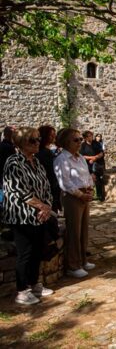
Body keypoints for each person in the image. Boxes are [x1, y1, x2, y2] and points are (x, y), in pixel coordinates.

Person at [2, 127, 54, 304]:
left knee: (38, 250)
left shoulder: (36, 162)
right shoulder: (13, 162)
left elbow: (46, 186)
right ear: (21, 143)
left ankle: (34, 284)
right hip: (22, 215)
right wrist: (41, 206)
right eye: (33, 140)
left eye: (38, 139)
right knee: (25, 252)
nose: (38, 142)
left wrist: (46, 207)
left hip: (40, 214)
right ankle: (22, 290)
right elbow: (19, 191)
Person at [54, 128, 95, 278]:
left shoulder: (80, 158)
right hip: (73, 197)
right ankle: (73, 265)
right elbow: (64, 182)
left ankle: (83, 260)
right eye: (76, 140)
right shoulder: (62, 159)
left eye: (80, 140)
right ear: (66, 142)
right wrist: (80, 195)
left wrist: (90, 189)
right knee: (74, 231)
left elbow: (87, 175)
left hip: (84, 195)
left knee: (83, 229)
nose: (79, 142)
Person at [36, 125, 62, 213]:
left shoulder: (47, 151)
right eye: (51, 135)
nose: (54, 137)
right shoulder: (44, 152)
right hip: (48, 188)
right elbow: (50, 171)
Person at [80, 131, 105, 201]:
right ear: (85, 137)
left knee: (99, 180)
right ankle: (90, 196)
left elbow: (101, 153)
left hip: (98, 164)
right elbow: (82, 156)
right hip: (88, 165)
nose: (90, 137)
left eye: (91, 135)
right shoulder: (83, 145)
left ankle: (100, 196)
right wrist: (92, 158)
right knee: (88, 180)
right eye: (88, 136)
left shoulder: (96, 143)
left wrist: (95, 158)